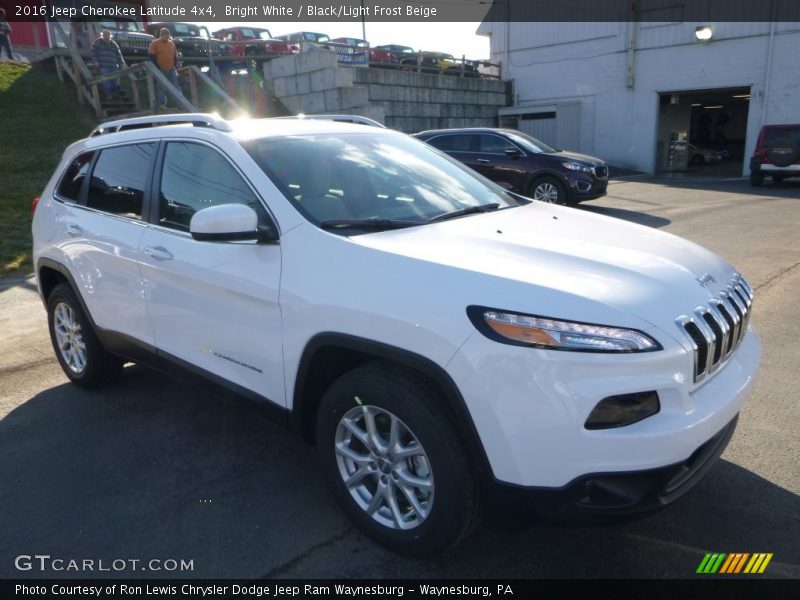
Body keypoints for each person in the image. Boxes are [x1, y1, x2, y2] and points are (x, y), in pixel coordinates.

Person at [148, 27, 181, 109]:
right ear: (161, 35)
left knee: (176, 85)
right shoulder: (154, 43)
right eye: (165, 34)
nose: (166, 36)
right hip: (160, 68)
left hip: (171, 68)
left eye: (168, 34)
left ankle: (180, 103)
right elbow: (151, 56)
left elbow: (175, 56)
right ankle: (162, 104)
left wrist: (175, 66)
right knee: (161, 87)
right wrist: (157, 67)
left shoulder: (171, 43)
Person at [91, 29, 126, 99]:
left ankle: (114, 93)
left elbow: (119, 54)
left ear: (110, 35)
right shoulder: (98, 42)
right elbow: (93, 52)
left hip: (114, 65)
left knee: (115, 80)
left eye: (108, 35)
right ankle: (108, 94)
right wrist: (95, 61)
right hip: (104, 65)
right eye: (105, 35)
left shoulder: (113, 44)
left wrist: (121, 63)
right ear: (102, 35)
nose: (106, 36)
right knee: (106, 80)